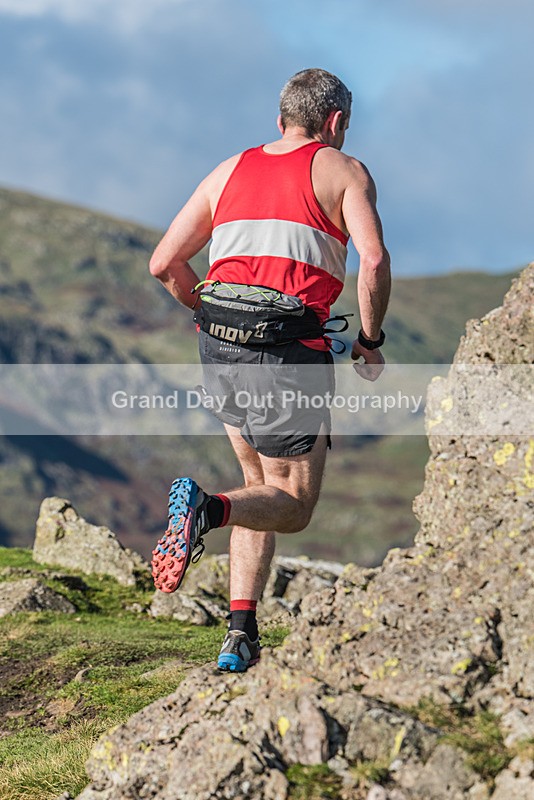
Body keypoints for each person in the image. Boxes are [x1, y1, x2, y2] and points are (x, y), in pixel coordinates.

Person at [149, 68, 391, 672]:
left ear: (280, 117)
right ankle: (205, 509)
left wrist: (208, 311)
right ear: (335, 122)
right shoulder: (344, 171)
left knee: (258, 484)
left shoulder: (229, 169)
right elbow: (374, 261)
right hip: (287, 349)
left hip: (219, 344)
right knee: (295, 503)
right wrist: (369, 339)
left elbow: (164, 263)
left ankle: (239, 635)